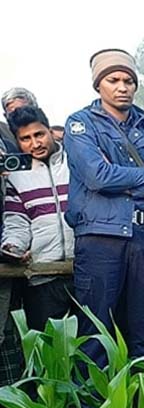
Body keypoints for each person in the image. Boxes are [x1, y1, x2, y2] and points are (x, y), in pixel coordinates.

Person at [65, 49, 144, 408]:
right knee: (95, 330)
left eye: (128, 80)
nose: (122, 87)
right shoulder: (80, 124)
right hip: (100, 238)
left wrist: (126, 182)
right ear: (98, 84)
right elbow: (96, 177)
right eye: (113, 80)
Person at [2, 107, 73, 330]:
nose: (35, 143)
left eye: (39, 134)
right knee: (48, 351)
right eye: (25, 139)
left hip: (84, 271)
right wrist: (12, 248)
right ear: (17, 141)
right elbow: (17, 222)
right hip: (42, 276)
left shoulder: (77, 164)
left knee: (91, 348)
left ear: (50, 131)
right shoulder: (17, 176)